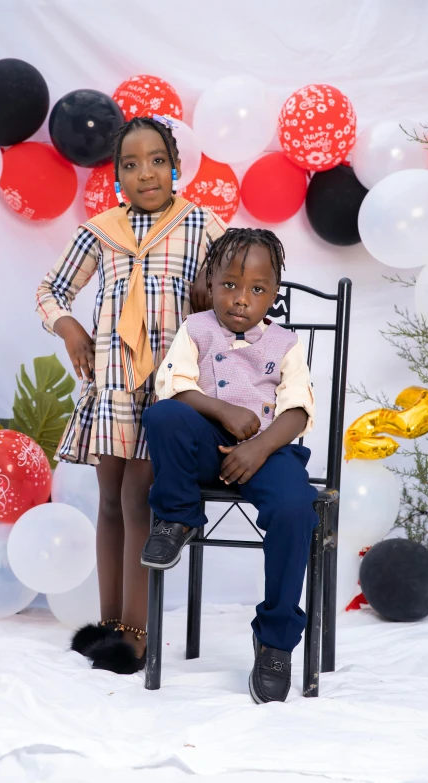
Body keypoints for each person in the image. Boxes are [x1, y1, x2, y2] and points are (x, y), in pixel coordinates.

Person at [35, 115, 226, 674]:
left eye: (158, 161)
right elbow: (51, 288)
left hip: (170, 387)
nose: (146, 173)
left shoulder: (202, 227)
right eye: (131, 164)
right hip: (114, 380)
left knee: (141, 496)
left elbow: (246, 290)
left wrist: (207, 300)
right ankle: (108, 625)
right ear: (117, 176)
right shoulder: (101, 230)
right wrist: (70, 328)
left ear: (177, 168)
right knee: (111, 498)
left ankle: (138, 634)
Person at [141, 228, 317, 703]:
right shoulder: (196, 328)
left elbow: (298, 410)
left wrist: (258, 448)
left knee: (297, 507)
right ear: (211, 282)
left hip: (268, 451)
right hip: (204, 446)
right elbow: (172, 385)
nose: (241, 299)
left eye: (257, 289)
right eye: (229, 285)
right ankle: (178, 517)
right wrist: (223, 412)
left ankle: (276, 640)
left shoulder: (286, 344)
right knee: (162, 414)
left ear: (273, 294)